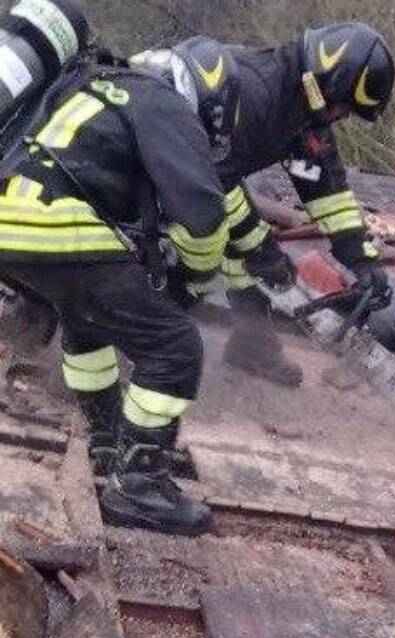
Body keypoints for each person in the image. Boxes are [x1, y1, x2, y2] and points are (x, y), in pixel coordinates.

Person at [0, 38, 240, 536]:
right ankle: (139, 487)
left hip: (12, 214)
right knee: (174, 347)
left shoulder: (101, 86)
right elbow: (201, 211)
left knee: (85, 321)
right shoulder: (166, 103)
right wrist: (195, 274)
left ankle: (108, 441)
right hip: (54, 223)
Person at [149, 22, 395, 387]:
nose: (342, 116)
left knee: (245, 251)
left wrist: (361, 258)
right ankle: (145, 337)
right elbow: (214, 181)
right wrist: (262, 248)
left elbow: (326, 188)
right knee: (206, 252)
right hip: (151, 174)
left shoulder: (301, 112)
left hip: (185, 183)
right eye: (343, 106)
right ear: (326, 83)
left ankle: (252, 344)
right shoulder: (256, 92)